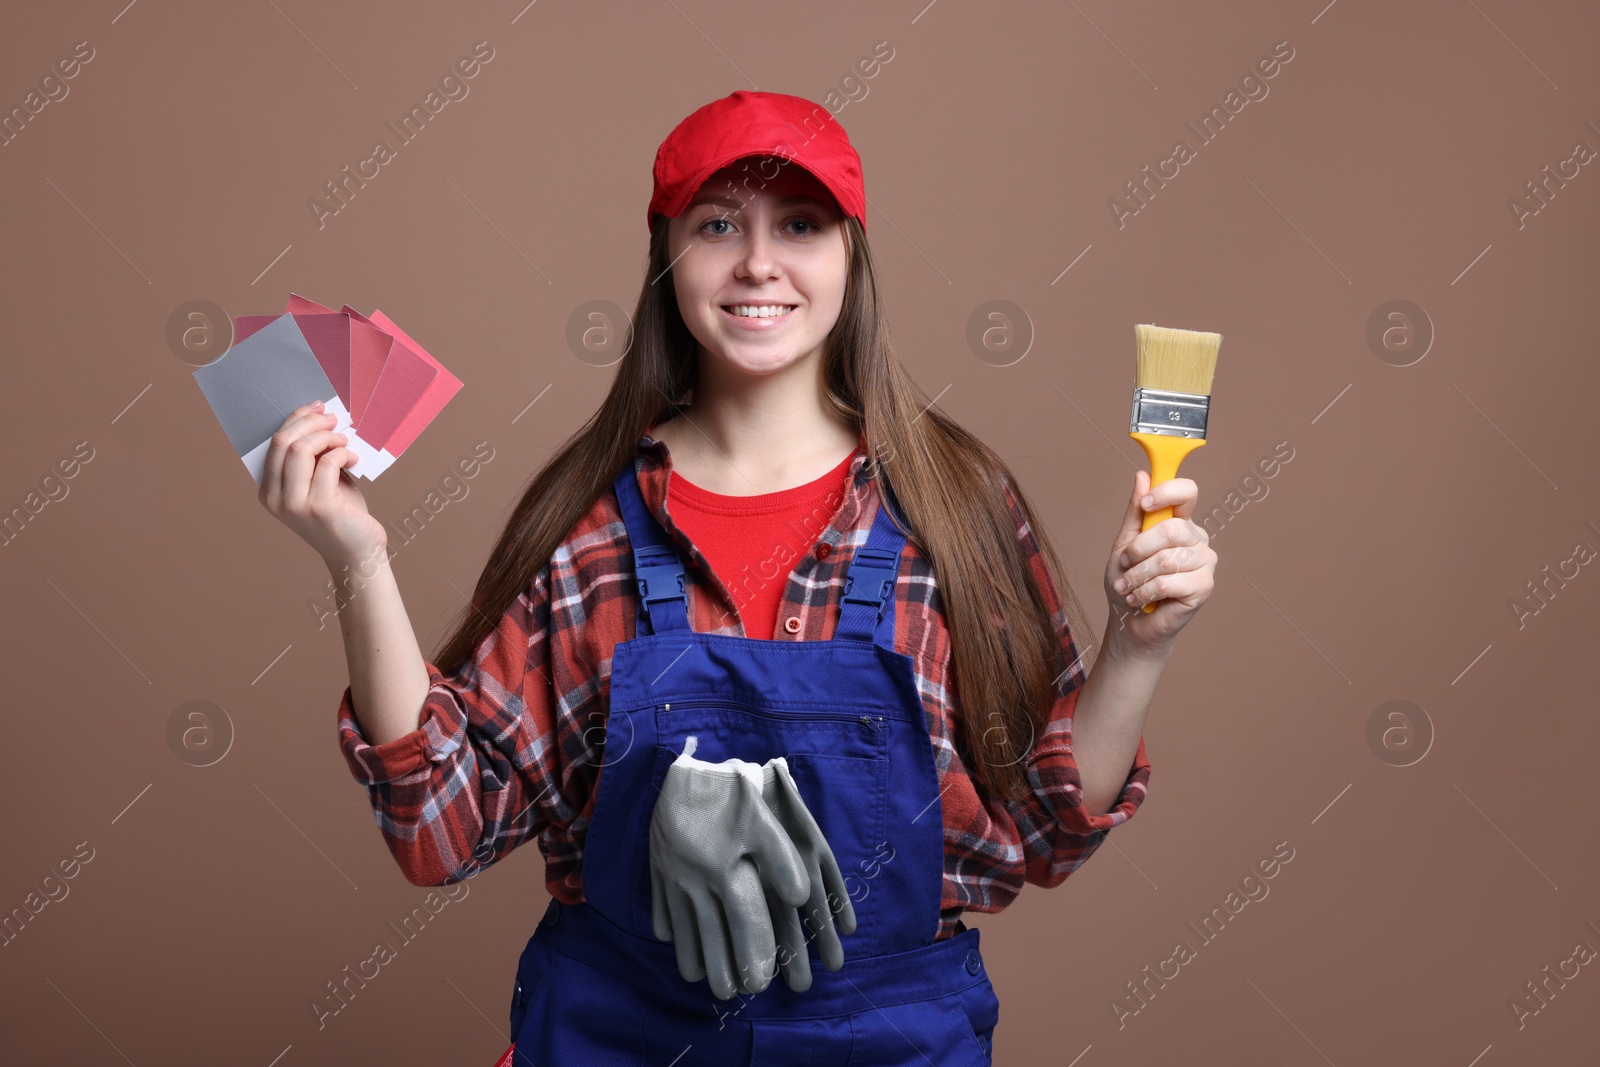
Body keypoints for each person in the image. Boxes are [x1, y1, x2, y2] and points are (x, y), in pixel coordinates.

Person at [258, 89, 1216, 1065]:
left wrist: (1138, 647)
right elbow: (444, 830)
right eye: (718, 224)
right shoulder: (586, 519)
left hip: (888, 1041)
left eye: (798, 224)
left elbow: (1042, 826)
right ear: (666, 254)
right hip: (614, 1035)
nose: (759, 262)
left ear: (852, 253)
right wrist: (358, 557)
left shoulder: (953, 508)